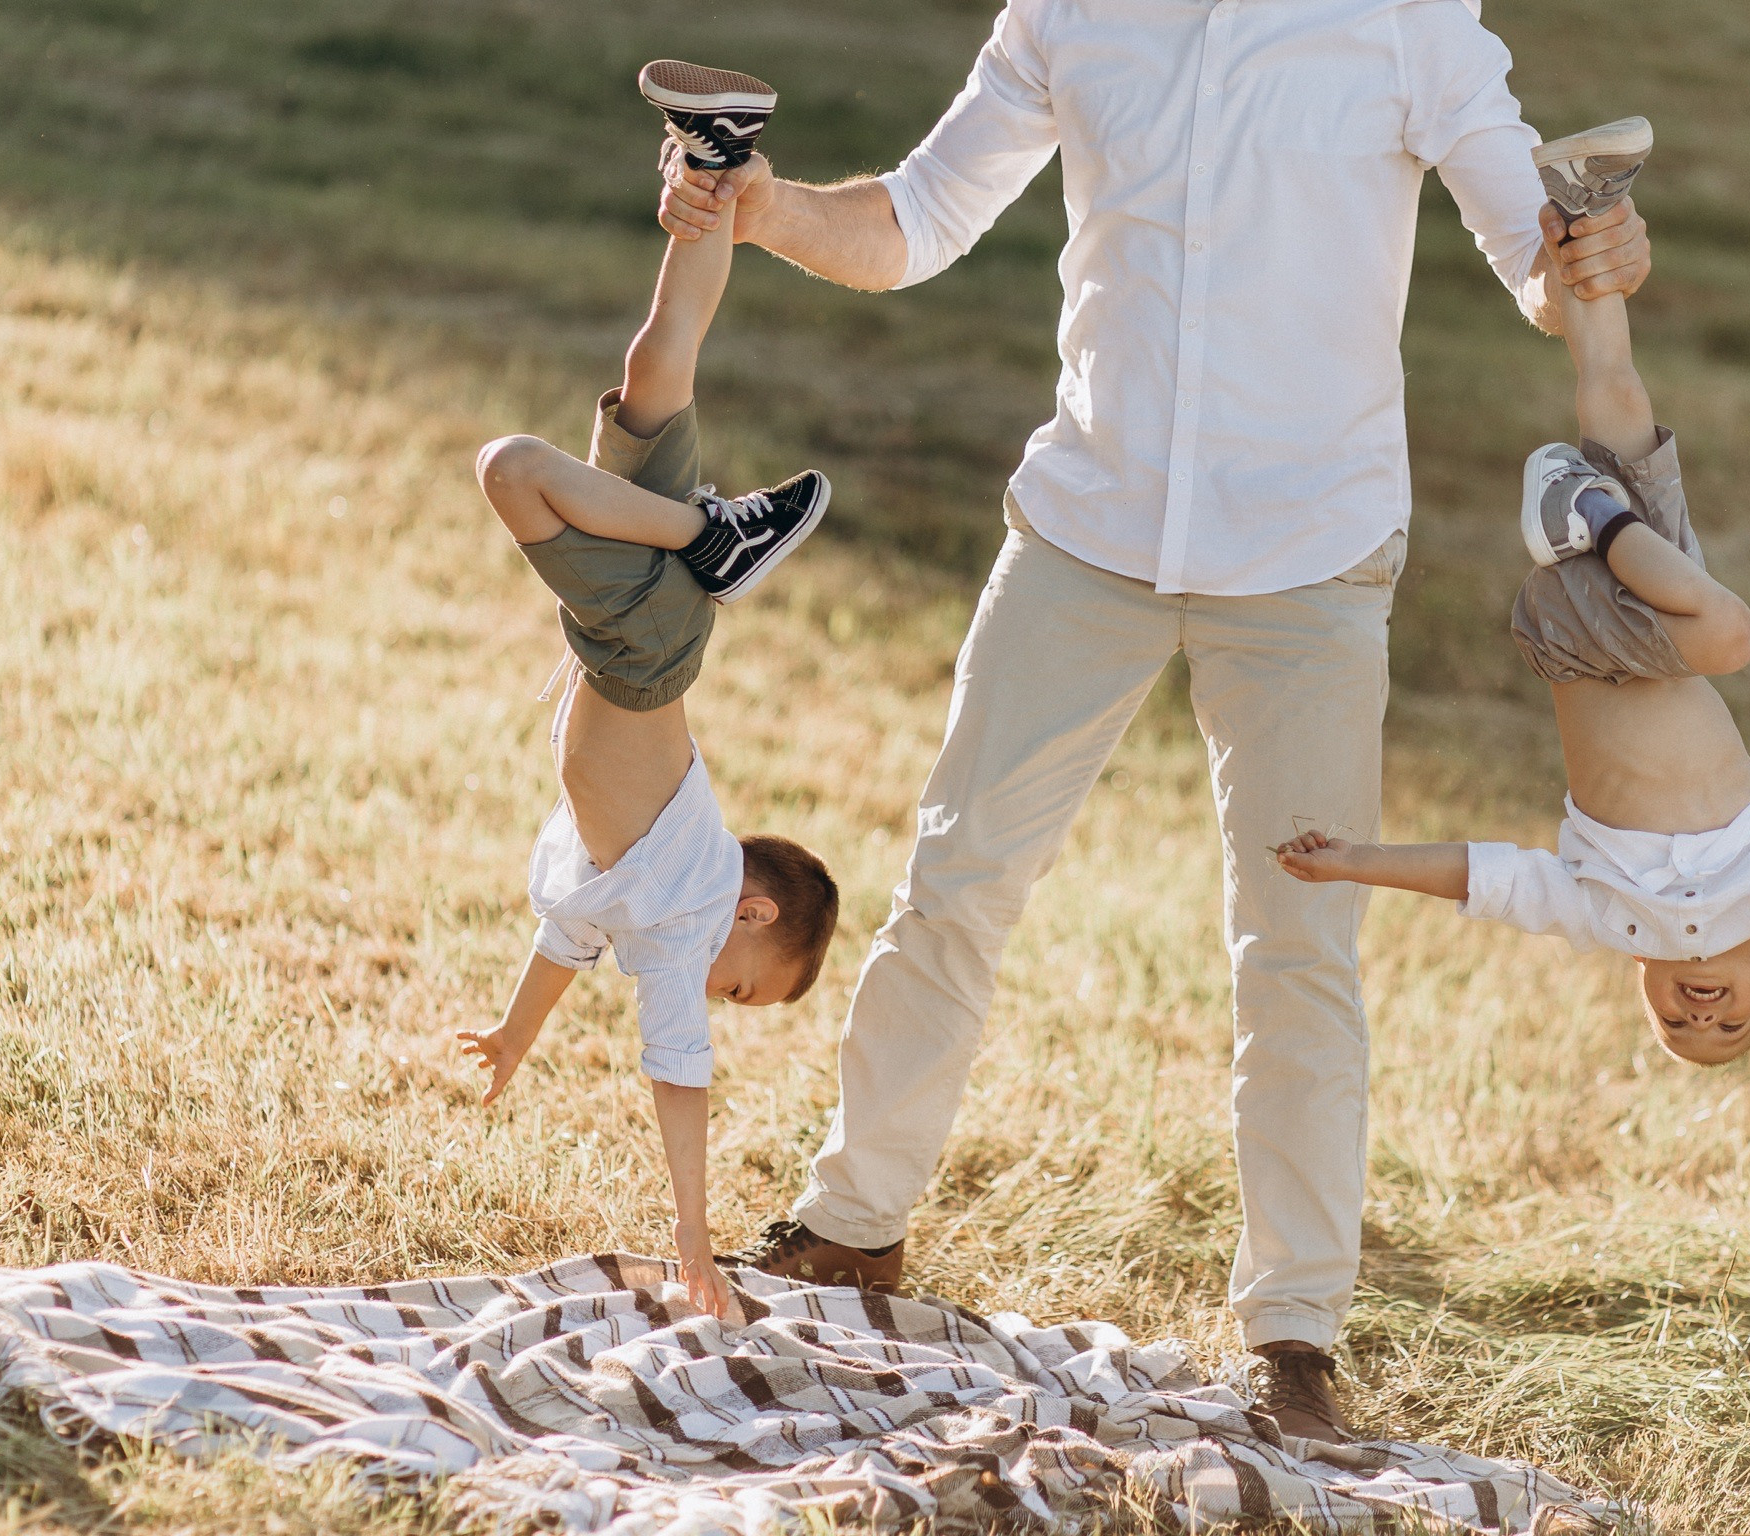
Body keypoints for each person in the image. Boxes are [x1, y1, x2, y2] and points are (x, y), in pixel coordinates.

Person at [659, 3, 1652, 1443]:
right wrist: (764, 207)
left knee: (1298, 949)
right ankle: (853, 1227)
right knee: (955, 882)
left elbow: (1540, 267)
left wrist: (1596, 260)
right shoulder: (1073, 11)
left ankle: (1295, 1337)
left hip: (1309, 560)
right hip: (1088, 531)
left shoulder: (1404, 22)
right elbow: (917, 218)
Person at [1278, 122, 1750, 1089]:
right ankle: (1582, 202)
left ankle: (1589, 515)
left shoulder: (1606, 915)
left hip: (1587, 641)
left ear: (1643, 982)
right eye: (1728, 1025)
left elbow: (1483, 876)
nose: (1698, 1016)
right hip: (1660, 607)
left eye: (1676, 1026)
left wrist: (1358, 861)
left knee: (1729, 632)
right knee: (1616, 398)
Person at [456, 62, 842, 1321]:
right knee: (513, 467)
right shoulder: (685, 912)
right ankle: (716, 536)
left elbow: (562, 939)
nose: (718, 1000)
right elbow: (680, 1079)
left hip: (642, 629)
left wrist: (514, 1039)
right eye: (744, 986)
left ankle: (719, 154)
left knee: (655, 363)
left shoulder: (629, 897)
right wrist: (694, 1246)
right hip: (639, 642)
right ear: (753, 912)